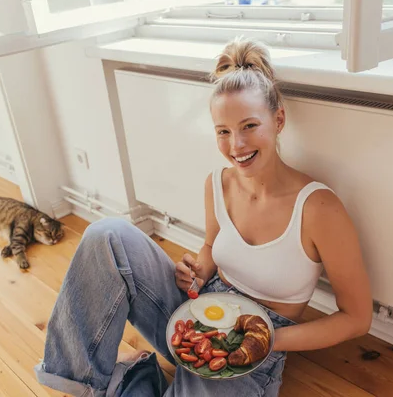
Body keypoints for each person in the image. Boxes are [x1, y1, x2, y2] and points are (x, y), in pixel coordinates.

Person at [34, 37, 372, 397]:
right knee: (107, 235)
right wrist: (199, 270)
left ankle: (136, 379)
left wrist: (268, 341)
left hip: (255, 351)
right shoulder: (217, 183)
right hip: (199, 311)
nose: (236, 146)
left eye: (249, 126)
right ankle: (81, 383)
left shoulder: (319, 209)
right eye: (223, 132)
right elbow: (212, 245)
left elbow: (357, 318)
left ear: (279, 119)